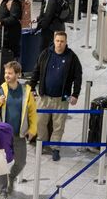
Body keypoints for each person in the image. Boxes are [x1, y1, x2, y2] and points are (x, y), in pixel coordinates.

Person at [0, 61, 37, 199]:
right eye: (6, 73)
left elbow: (32, 111)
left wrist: (33, 130)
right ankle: (3, 192)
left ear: (18, 75)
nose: (7, 75)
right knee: (0, 163)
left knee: (21, 161)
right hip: (3, 135)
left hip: (20, 134)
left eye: (10, 73)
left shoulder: (26, 91)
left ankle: (11, 178)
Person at [29, 31, 82, 162]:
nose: (59, 44)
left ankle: (55, 148)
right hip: (44, 96)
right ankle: (42, 143)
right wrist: (31, 87)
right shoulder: (46, 54)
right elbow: (36, 70)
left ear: (66, 42)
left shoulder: (72, 57)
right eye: (57, 41)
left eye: (62, 41)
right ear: (54, 40)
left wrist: (75, 94)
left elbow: (78, 77)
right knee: (40, 122)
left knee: (59, 125)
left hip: (61, 98)